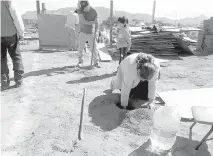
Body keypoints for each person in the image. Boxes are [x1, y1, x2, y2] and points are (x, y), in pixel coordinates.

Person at [1, 1, 25, 91]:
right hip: (11, 34)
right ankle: (19, 81)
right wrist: (21, 32)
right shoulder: (8, 2)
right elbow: (16, 18)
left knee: (1, 59)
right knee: (16, 56)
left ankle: (4, 83)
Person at [76, 0, 100, 68]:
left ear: (88, 6)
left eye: (85, 8)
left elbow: (97, 22)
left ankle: (96, 62)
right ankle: (80, 62)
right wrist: (92, 22)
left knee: (94, 48)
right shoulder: (80, 10)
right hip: (82, 31)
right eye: (83, 8)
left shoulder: (94, 11)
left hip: (91, 32)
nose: (84, 10)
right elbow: (82, 21)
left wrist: (96, 32)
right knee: (81, 47)